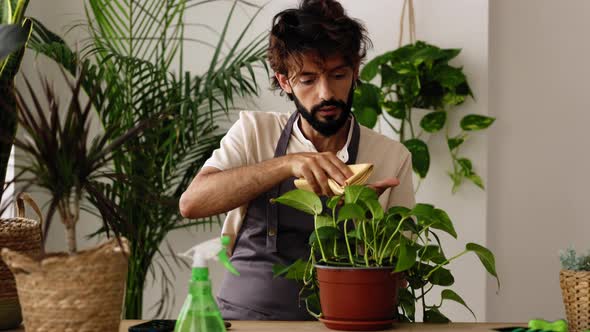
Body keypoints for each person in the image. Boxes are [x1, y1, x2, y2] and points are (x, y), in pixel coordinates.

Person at [179, 0, 415, 321]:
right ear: (283, 81)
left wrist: (368, 219)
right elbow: (192, 203)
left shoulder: (390, 156)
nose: (326, 93)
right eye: (308, 80)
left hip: (345, 323)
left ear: (355, 72)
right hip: (243, 319)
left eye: (338, 75)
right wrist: (286, 165)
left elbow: (401, 274)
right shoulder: (254, 131)